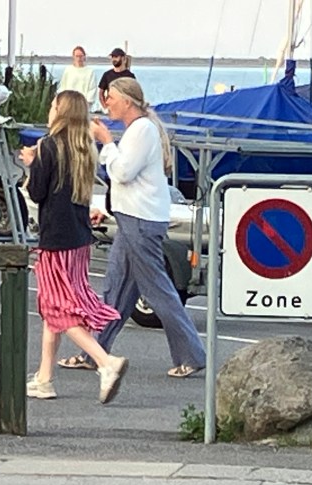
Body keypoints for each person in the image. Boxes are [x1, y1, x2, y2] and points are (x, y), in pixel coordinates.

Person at [60, 77, 206, 378]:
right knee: (116, 288)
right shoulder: (138, 130)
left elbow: (124, 172)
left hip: (140, 221)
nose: (107, 104)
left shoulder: (142, 130)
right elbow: (128, 179)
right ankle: (95, 352)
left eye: (111, 98)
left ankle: (191, 355)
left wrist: (107, 142)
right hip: (132, 218)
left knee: (157, 289)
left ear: (127, 101)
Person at [19, 91, 129, 404]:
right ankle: (44, 378)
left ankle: (105, 362)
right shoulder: (83, 147)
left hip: (55, 240)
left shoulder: (48, 146)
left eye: (53, 105)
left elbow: (37, 193)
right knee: (55, 306)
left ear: (61, 112)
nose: (49, 109)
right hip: (78, 239)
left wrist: (32, 164)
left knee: (57, 308)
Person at [58, 45, 97, 110]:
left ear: (84, 56)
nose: (79, 58)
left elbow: (92, 89)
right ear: (73, 57)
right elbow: (63, 87)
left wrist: (86, 103)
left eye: (81, 56)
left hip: (83, 105)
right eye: (77, 56)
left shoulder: (90, 72)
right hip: (69, 104)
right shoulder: (68, 70)